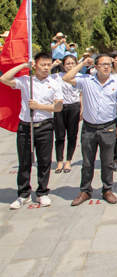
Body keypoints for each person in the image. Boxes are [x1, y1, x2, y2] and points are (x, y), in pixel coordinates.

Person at [1, 53, 64, 209]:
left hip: (45, 126)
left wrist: (39, 106)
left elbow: (58, 106)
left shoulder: (54, 83)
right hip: (26, 127)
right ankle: (24, 194)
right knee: (24, 161)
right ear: (35, 65)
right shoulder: (26, 81)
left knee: (44, 161)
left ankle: (42, 192)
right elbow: (4, 79)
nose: (46, 68)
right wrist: (23, 65)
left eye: (48, 64)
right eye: (43, 64)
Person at [63, 54, 117, 206]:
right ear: (96, 66)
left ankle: (107, 190)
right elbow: (67, 78)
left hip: (108, 127)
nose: (106, 67)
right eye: (103, 64)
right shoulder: (86, 80)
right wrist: (82, 63)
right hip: (89, 128)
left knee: (107, 162)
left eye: (108, 64)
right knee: (87, 162)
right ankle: (85, 190)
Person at [51, 55, 82, 174]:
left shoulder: (79, 77)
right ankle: (59, 161)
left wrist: (82, 109)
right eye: (68, 64)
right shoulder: (57, 76)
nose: (70, 66)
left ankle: (68, 160)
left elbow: (81, 94)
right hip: (60, 107)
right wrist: (53, 65)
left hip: (74, 107)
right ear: (63, 66)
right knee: (59, 136)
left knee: (72, 135)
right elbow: (44, 76)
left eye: (73, 63)